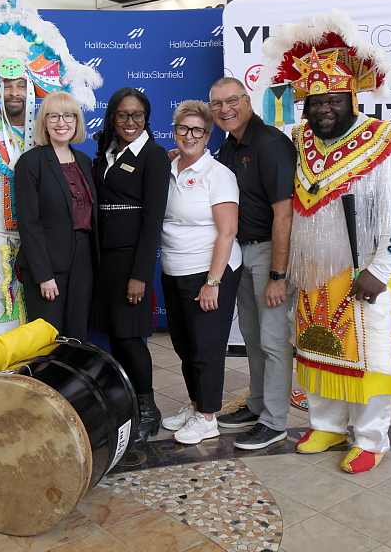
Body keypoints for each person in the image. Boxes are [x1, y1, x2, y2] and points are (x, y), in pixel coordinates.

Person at [255, 10, 391, 472]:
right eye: (315, 102)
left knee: (367, 354)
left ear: (352, 97)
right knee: (317, 346)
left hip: (366, 270)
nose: (323, 110)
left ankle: (371, 439)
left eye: (333, 100)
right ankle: (328, 425)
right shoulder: (299, 140)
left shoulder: (389, 140)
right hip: (313, 271)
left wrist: (381, 269)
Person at [0, 0, 101, 350]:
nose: (14, 92)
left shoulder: (49, 138)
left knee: (45, 340)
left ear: (33, 88)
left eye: (21, 85)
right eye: (7, 85)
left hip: (46, 253)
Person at [211, 77, 297, 450]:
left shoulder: (270, 144)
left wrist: (278, 274)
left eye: (231, 101)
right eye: (216, 104)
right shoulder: (229, 145)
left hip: (268, 253)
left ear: (248, 101)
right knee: (251, 335)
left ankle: (274, 421)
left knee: (274, 340)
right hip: (240, 252)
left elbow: (284, 214)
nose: (224, 109)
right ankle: (258, 404)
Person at [158, 101, 241, 444]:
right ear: (174, 131)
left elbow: (228, 231)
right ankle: (195, 406)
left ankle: (208, 418)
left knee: (206, 348)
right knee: (183, 345)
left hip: (209, 271)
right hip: (174, 269)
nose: (189, 135)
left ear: (208, 136)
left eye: (197, 130)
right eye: (183, 128)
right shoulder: (167, 167)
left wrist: (212, 282)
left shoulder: (218, 174)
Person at [92, 87, 171, 443]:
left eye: (137, 115)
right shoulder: (107, 152)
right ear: (112, 117)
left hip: (130, 260)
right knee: (114, 336)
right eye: (123, 114)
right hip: (104, 258)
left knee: (129, 337)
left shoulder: (153, 155)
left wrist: (141, 274)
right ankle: (127, 407)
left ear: (146, 119)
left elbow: (152, 220)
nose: (130, 121)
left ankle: (148, 411)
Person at [15, 91, 98, 339]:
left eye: (68, 116)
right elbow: (29, 223)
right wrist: (44, 276)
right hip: (47, 264)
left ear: (77, 121)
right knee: (47, 338)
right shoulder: (31, 162)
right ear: (44, 122)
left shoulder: (84, 161)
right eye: (53, 116)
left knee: (77, 336)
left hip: (83, 261)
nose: (61, 123)